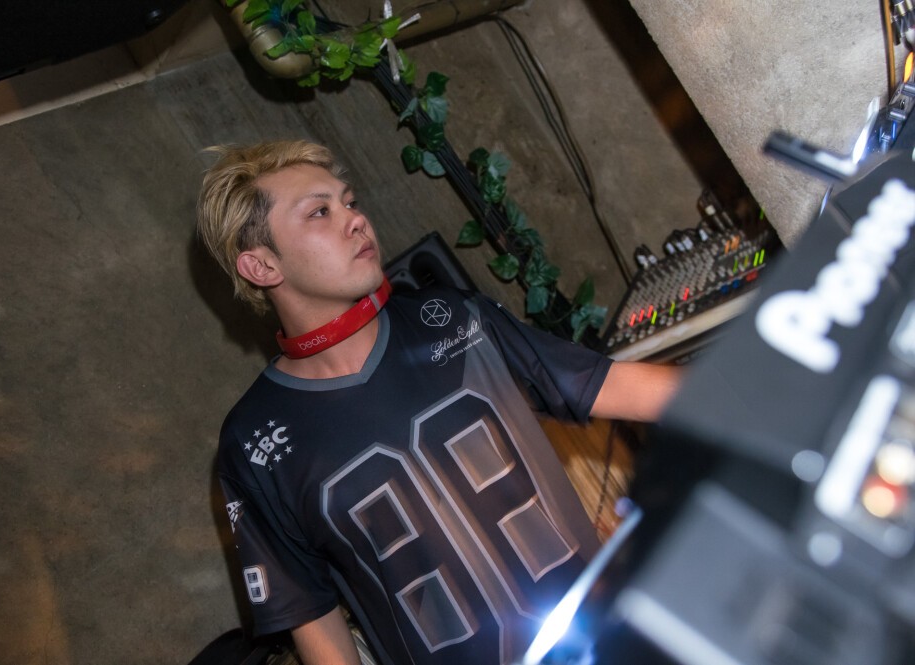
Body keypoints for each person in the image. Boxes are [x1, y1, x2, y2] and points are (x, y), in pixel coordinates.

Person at [196, 140, 682, 665]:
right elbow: (313, 617)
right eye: (320, 212)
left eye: (350, 201)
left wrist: (749, 386)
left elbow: (623, 387)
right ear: (262, 266)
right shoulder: (253, 441)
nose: (356, 219)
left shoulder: (456, 318)